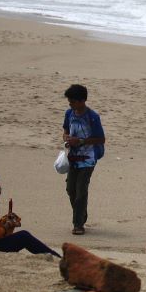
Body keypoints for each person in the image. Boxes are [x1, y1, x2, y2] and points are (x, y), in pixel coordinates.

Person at [0, 170, 60, 257]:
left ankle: (54, 255)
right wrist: (8, 225)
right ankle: (56, 257)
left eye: (0, 190)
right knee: (24, 236)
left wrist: (3, 223)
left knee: (23, 236)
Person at [61, 84, 106, 235]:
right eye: (69, 102)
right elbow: (65, 130)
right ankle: (81, 214)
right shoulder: (69, 113)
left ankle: (78, 224)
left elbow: (101, 139)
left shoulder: (92, 117)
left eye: (73, 101)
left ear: (82, 101)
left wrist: (80, 141)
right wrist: (67, 138)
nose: (70, 104)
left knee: (81, 190)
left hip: (88, 159)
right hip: (72, 157)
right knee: (70, 189)